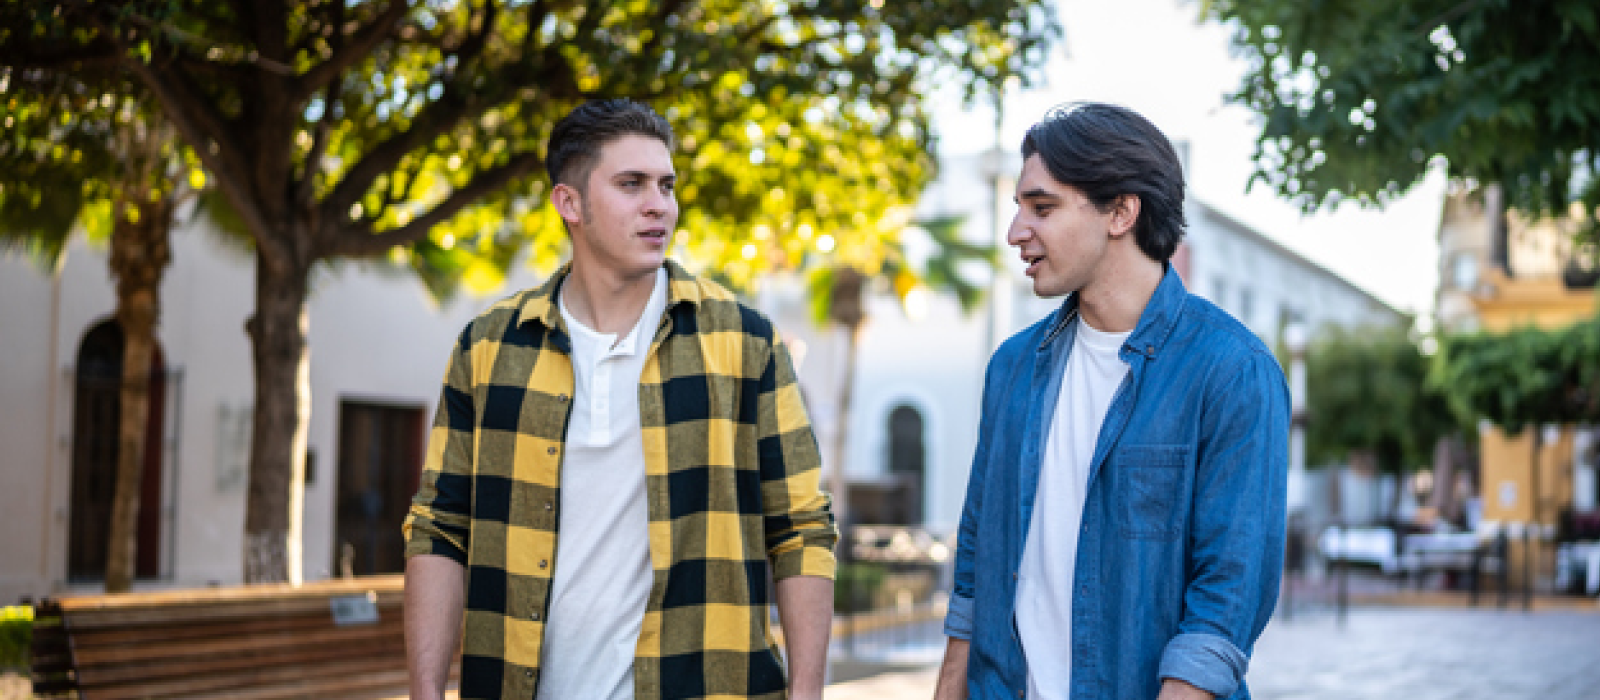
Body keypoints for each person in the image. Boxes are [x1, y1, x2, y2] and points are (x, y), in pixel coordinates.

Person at [403, 98, 837, 700]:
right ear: (570, 204)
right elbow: (440, 528)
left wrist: (808, 692)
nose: (658, 204)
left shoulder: (743, 342)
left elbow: (801, 527)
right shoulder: (489, 348)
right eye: (631, 184)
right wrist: (425, 692)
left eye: (666, 185)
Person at [932, 102, 1289, 700]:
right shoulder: (1012, 368)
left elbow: (1226, 601)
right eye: (1019, 208)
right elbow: (975, 566)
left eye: (1042, 208)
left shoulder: (1233, 371)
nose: (1016, 231)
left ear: (1121, 212)